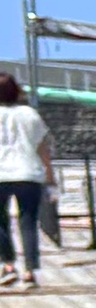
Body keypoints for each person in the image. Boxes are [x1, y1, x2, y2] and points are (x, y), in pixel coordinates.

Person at [0, 73, 49, 282]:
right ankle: (30, 270)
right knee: (28, 222)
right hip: (28, 172)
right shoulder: (30, 114)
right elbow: (42, 147)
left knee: (0, 222)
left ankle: (8, 264)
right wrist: (51, 175)